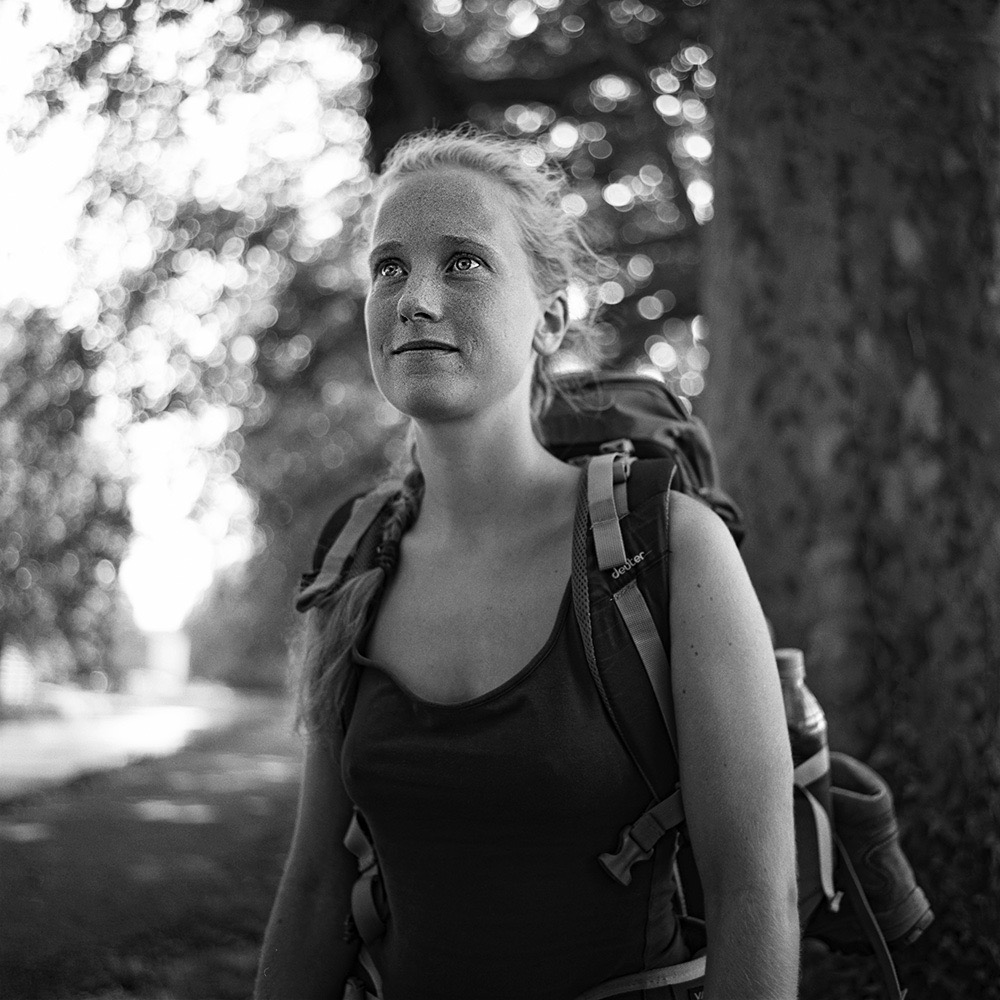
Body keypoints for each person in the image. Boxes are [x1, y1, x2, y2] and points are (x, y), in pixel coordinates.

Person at [254, 126, 798, 1000]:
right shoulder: (353, 555)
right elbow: (317, 882)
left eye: (464, 263)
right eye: (388, 268)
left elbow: (754, 892)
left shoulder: (669, 544)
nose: (415, 298)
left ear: (550, 318)